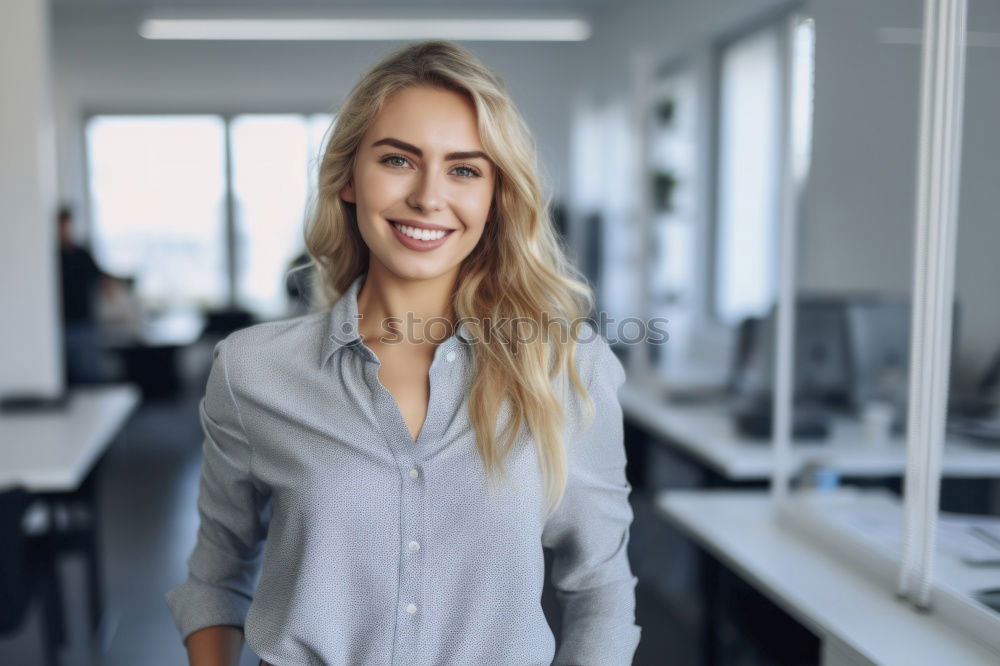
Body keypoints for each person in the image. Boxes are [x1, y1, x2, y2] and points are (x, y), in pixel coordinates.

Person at [165, 40, 641, 666]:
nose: (427, 196)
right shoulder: (253, 370)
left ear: (495, 197)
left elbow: (600, 588)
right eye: (398, 160)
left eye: (465, 170)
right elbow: (217, 576)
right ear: (347, 178)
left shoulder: (566, 366)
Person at [57, 205, 124, 385]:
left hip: (84, 324)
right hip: (61, 326)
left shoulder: (81, 255)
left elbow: (103, 280)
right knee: (67, 380)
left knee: (91, 377)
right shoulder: (51, 256)